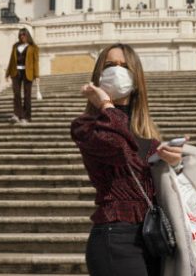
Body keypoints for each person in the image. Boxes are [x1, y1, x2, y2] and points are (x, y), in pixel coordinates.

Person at [70, 43, 185, 276]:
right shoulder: (86, 126)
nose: (117, 71)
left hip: (153, 237)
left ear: (136, 78)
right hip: (115, 237)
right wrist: (104, 104)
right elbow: (118, 146)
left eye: (124, 66)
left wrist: (175, 164)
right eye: (110, 65)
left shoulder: (148, 135)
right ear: (99, 74)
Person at [5, 28, 40, 126]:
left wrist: (37, 75)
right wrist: (7, 73)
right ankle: (17, 114)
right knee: (16, 94)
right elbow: (11, 60)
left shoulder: (33, 47)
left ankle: (26, 116)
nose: (22, 36)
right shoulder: (15, 46)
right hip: (15, 72)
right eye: (20, 35)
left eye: (24, 34)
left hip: (27, 72)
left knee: (27, 95)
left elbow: (36, 62)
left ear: (27, 35)